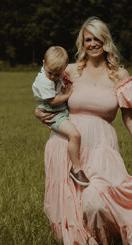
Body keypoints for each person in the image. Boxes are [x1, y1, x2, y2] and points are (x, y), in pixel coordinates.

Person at [36, 17, 132, 245]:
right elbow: (45, 97)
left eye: (97, 38)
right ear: (82, 43)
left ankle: (109, 243)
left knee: (96, 199)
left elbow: (130, 118)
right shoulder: (69, 72)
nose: (92, 43)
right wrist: (39, 112)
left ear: (105, 41)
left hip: (102, 148)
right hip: (66, 143)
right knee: (71, 203)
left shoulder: (119, 75)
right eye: (87, 39)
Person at [32, 45, 90, 187]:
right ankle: (76, 169)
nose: (53, 77)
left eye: (57, 74)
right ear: (44, 63)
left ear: (64, 67)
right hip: (54, 113)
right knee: (74, 135)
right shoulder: (44, 81)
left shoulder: (58, 72)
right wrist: (68, 94)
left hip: (61, 110)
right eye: (50, 73)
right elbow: (53, 101)